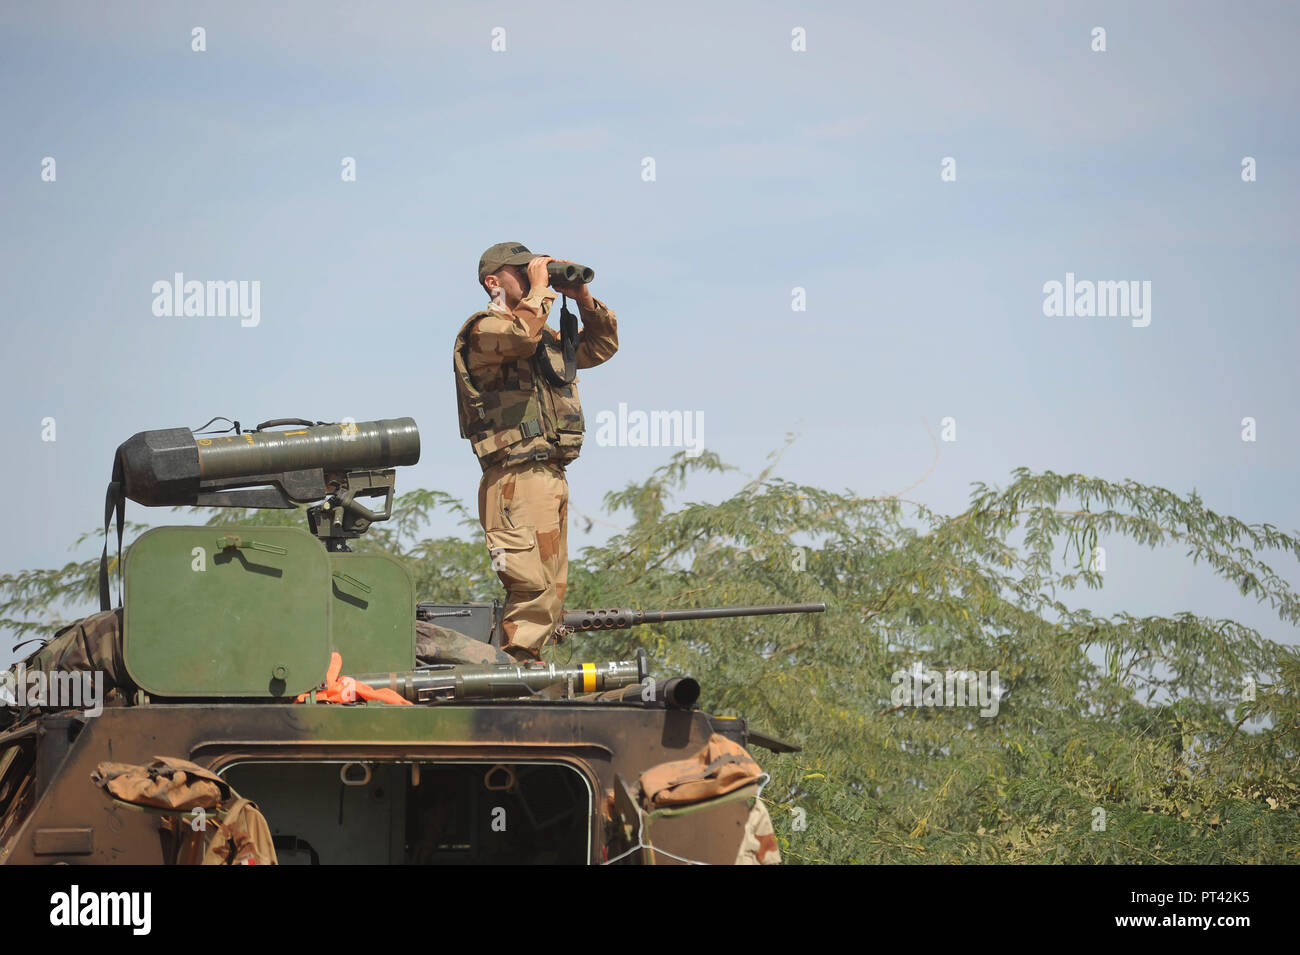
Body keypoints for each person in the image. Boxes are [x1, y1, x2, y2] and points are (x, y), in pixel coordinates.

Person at [453, 242, 619, 662]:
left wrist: (582, 299)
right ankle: (518, 668)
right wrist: (542, 288)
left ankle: (529, 665)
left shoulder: (542, 335)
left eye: (533, 272)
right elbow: (520, 336)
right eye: (521, 273)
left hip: (550, 475)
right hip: (514, 478)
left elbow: (601, 347)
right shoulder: (484, 330)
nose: (531, 279)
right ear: (494, 282)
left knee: (553, 587)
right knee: (532, 587)